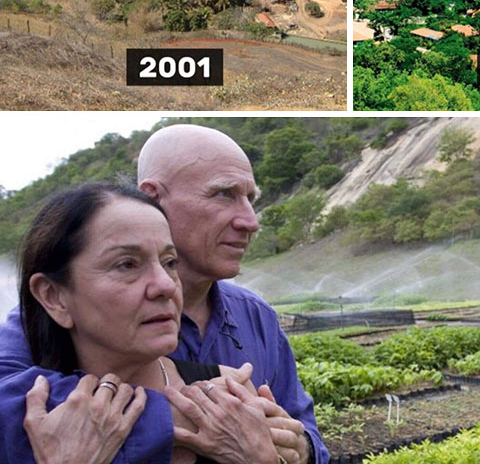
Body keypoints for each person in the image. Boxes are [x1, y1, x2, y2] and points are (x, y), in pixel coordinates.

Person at [0, 125, 328, 464]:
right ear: (153, 196)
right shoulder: (42, 323)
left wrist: (294, 448)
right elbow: (13, 403)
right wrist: (188, 415)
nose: (250, 221)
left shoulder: (257, 318)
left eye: (251, 199)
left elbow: (305, 434)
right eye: (223, 194)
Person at [14, 182, 287, 464]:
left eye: (170, 263)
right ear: (54, 296)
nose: (165, 286)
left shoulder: (232, 394)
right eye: (127, 265)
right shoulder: (28, 420)